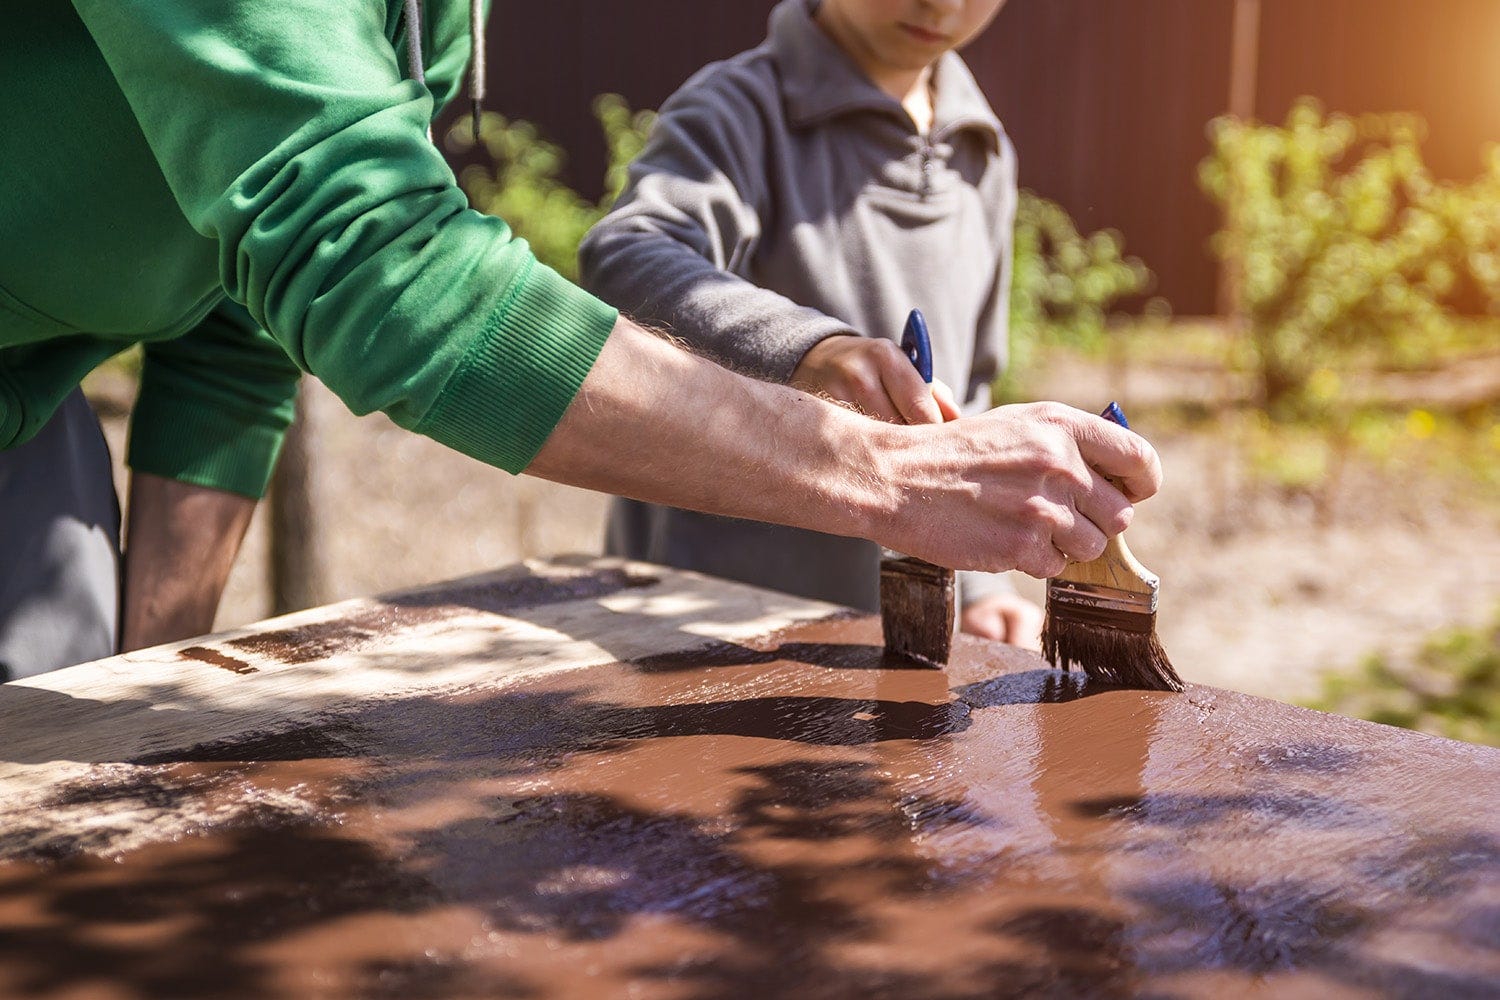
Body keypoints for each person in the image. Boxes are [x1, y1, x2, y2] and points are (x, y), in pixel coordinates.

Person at [0, 1, 1159, 680]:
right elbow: (375, 263)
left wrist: (142, 695)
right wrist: (886, 470)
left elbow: (239, 306)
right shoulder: (741, 106)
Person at [581, 0, 1044, 644]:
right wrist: (811, 351)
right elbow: (627, 257)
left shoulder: (984, 151)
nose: (942, 3)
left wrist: (982, 586)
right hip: (701, 616)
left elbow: (973, 386)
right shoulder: (742, 109)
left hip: (893, 635)